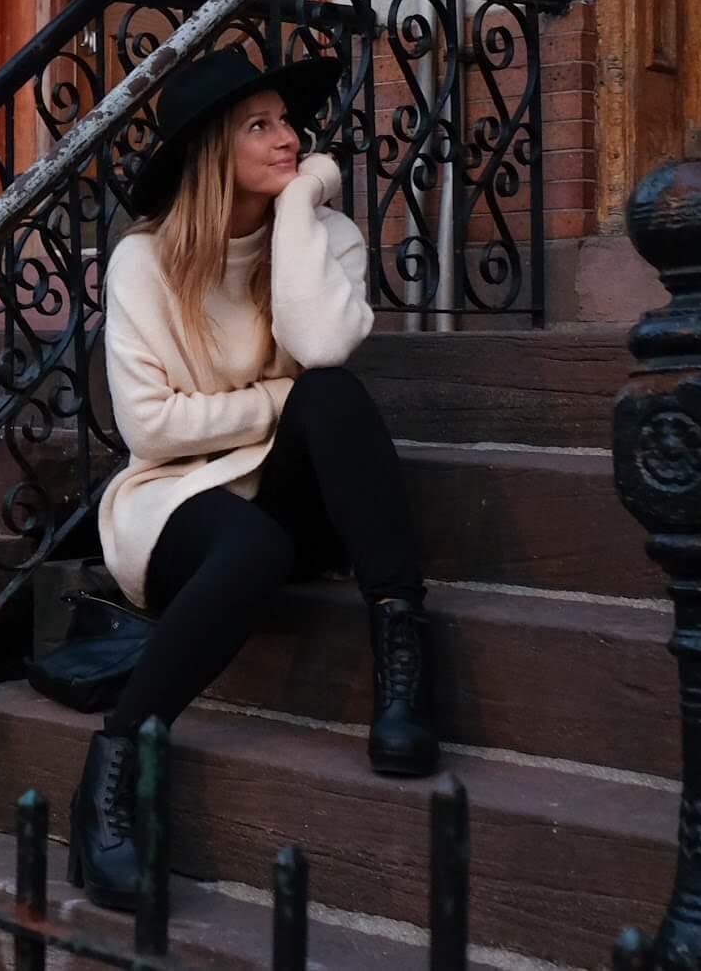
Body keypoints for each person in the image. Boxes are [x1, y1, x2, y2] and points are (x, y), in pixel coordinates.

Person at [68, 48, 437, 912]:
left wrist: (306, 205)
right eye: (260, 125)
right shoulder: (145, 261)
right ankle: (114, 769)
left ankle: (401, 651)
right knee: (255, 541)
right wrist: (277, 400)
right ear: (211, 151)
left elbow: (322, 352)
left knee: (335, 398)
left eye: (289, 122)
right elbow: (150, 428)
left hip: (278, 487)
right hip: (171, 502)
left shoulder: (325, 238)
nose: (290, 138)